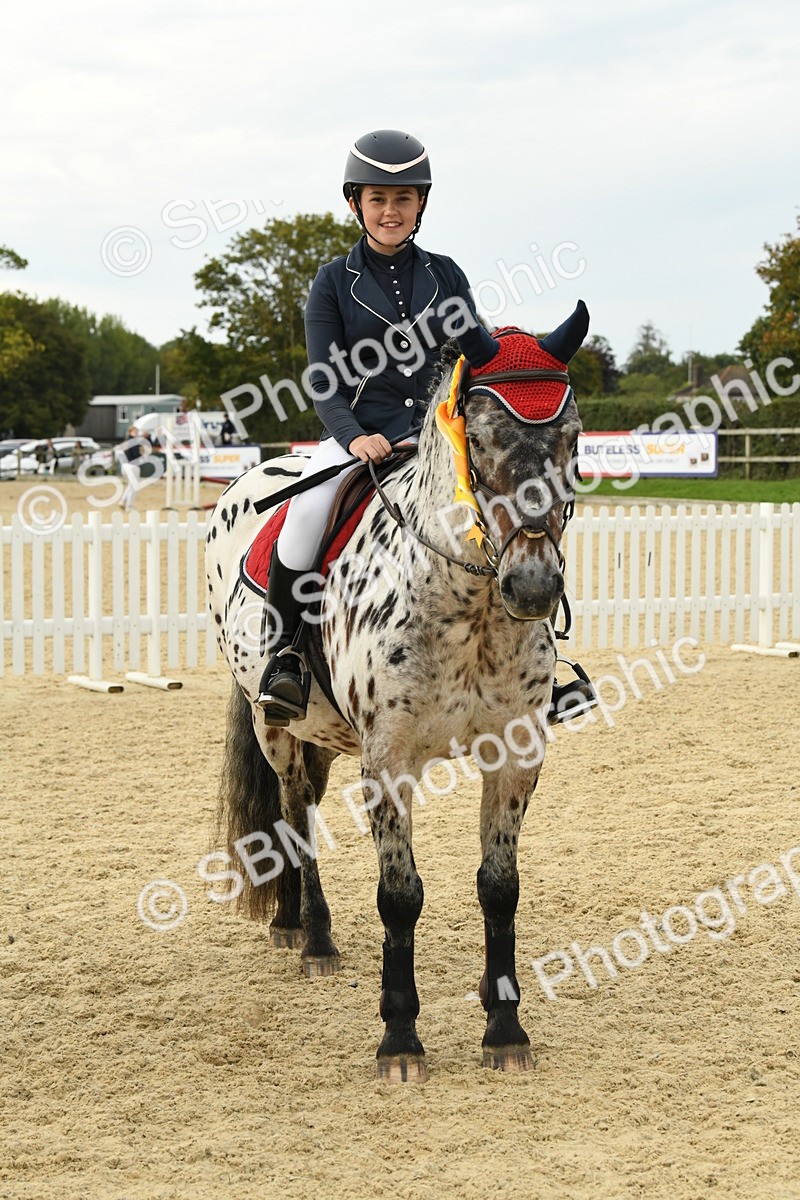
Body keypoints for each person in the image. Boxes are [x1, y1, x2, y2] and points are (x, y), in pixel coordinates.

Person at [257, 128, 597, 728]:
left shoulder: (447, 276)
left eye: (404, 199)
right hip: (359, 437)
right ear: (356, 203)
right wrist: (354, 435)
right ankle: (286, 657)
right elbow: (322, 379)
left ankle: (545, 662)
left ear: (421, 205)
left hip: (440, 441)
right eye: (378, 199)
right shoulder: (333, 283)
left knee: (510, 514)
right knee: (306, 514)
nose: (391, 211)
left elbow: (479, 359)